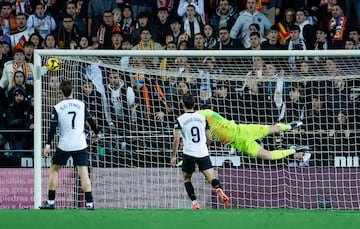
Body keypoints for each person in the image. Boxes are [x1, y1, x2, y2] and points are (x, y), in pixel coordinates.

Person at [39, 80, 99, 210]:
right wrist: (96, 133)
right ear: (73, 91)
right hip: (80, 144)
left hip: (65, 145)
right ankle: (89, 203)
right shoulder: (81, 104)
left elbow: (52, 129)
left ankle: (50, 202)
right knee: (84, 173)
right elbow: (91, 121)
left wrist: (48, 145)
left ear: (61, 92)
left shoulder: (57, 107)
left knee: (54, 170)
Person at [171, 93, 230, 209]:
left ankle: (195, 202)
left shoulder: (180, 119)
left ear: (182, 105)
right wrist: (206, 145)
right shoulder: (203, 118)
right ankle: (218, 188)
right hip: (202, 152)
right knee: (212, 178)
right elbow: (209, 138)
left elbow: (176, 138)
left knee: (187, 178)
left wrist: (174, 156)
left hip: (189, 153)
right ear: (195, 104)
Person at [196, 109, 311, 162]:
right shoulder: (197, 127)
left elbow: (209, 137)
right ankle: (293, 150)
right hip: (239, 144)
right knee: (267, 156)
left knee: (275, 129)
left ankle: (289, 126)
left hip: (243, 130)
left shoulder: (203, 114)